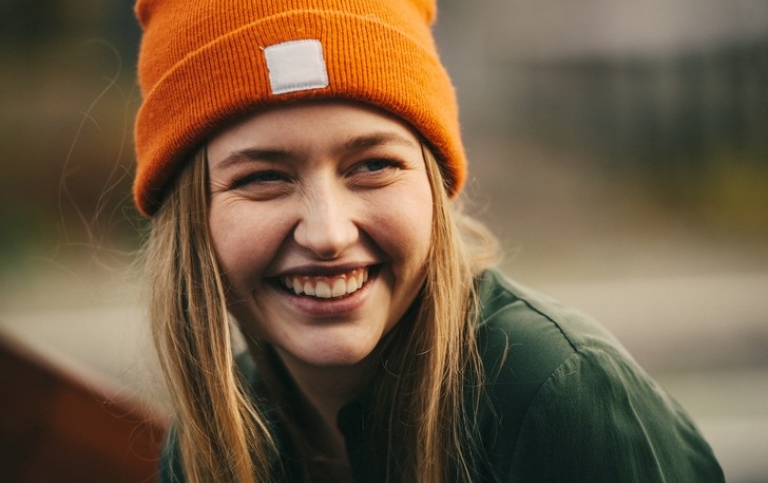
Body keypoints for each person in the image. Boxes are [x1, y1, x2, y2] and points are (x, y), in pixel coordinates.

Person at [132, 0, 725, 481]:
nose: (329, 234)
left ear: (434, 185)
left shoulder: (557, 398)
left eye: (372, 165)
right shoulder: (215, 439)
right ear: (189, 221)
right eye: (263, 178)